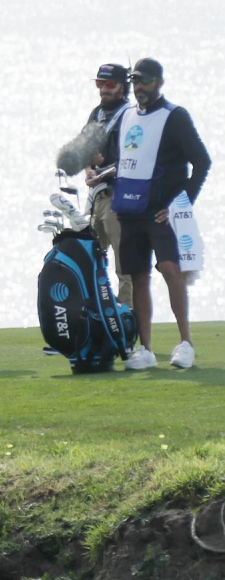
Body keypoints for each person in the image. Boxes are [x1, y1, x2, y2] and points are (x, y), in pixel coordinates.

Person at [111, 58, 211, 370]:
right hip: (130, 210)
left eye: (146, 81)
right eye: (136, 81)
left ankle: (185, 343)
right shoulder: (125, 115)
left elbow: (202, 162)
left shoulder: (175, 116)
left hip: (161, 212)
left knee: (171, 270)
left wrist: (181, 204)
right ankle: (147, 350)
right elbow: (122, 159)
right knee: (138, 276)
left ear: (159, 83)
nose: (139, 87)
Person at [84, 64, 133, 308]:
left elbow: (132, 159)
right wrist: (89, 169)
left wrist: (102, 164)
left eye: (109, 84)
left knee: (125, 268)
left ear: (123, 86)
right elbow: (84, 148)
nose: (103, 89)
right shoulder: (96, 113)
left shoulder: (130, 114)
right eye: (99, 84)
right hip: (97, 197)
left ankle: (127, 326)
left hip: (120, 197)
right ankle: (97, 322)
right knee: (93, 264)